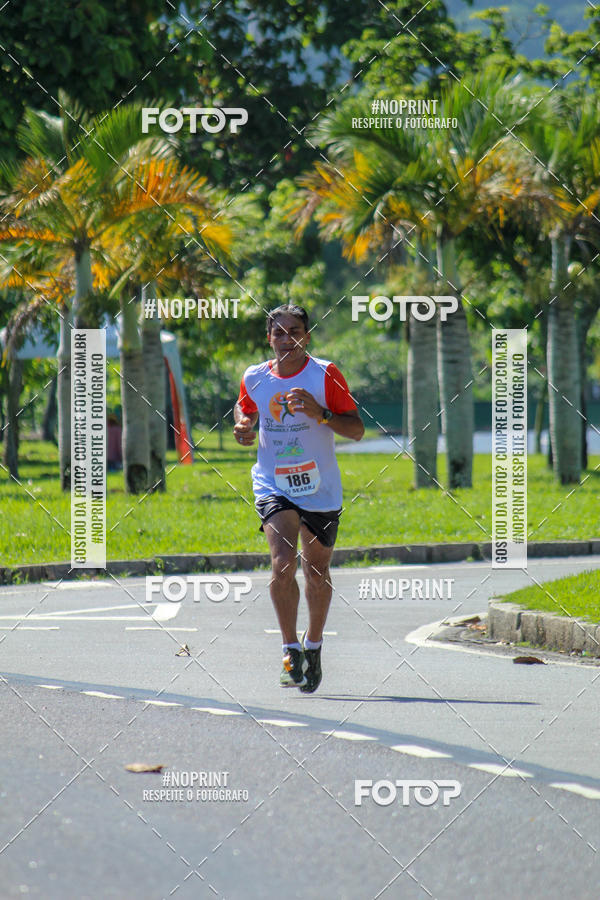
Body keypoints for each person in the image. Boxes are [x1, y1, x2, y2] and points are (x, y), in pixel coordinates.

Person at [233, 304, 364, 692]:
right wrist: (243, 428)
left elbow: (356, 430)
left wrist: (321, 413)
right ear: (268, 337)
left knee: (317, 571)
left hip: (319, 487)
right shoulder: (254, 377)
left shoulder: (325, 375)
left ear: (307, 337)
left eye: (295, 332)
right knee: (282, 562)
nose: (286, 339)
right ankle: (290, 649)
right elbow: (246, 413)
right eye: (278, 332)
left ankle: (314, 645)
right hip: (274, 484)